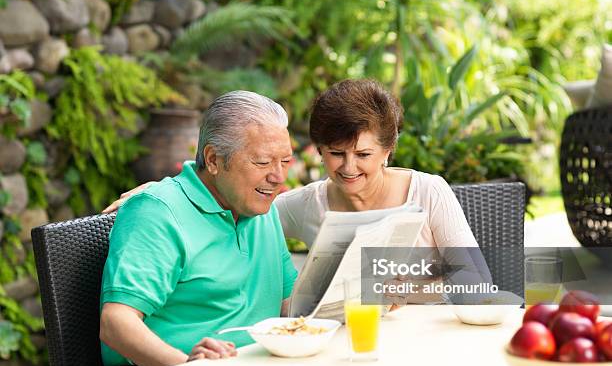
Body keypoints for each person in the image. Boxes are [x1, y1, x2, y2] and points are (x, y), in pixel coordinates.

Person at [105, 79, 480, 252]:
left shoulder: (428, 191)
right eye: (336, 153)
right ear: (319, 150)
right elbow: (227, 191)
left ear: (388, 151)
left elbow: (474, 283)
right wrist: (165, 190)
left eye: (363, 155)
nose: (349, 167)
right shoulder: (306, 205)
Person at [100, 90, 297, 366]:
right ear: (214, 160)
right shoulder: (157, 212)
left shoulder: (261, 209)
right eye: (263, 162)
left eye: (286, 162)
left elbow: (292, 307)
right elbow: (115, 323)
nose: (278, 177)